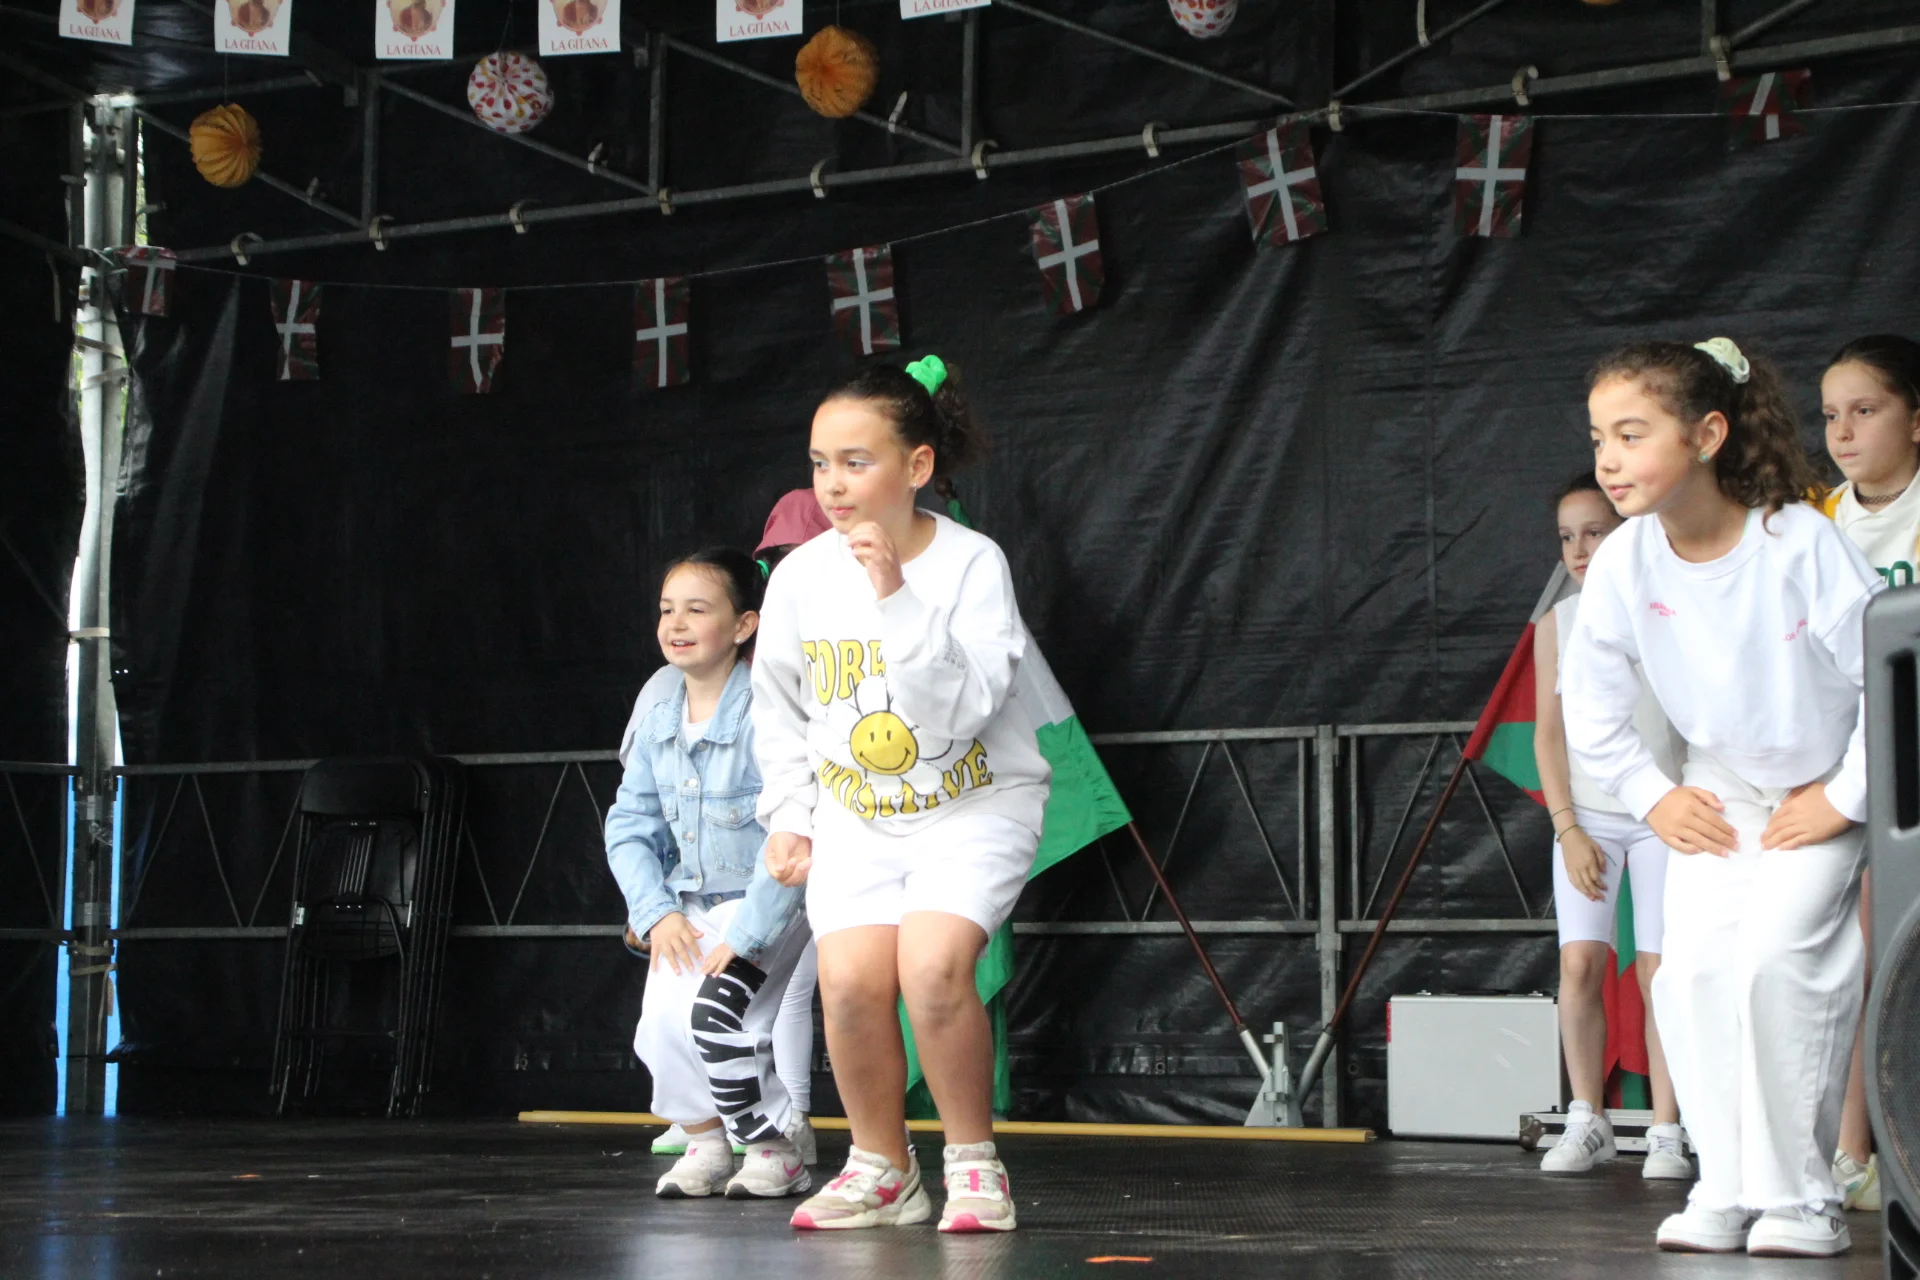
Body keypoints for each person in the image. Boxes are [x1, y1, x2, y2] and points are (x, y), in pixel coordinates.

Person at [1562, 337, 1880, 1258]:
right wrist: (1652, 797)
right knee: (1691, 972)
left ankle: (1803, 1198)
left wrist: (1845, 795)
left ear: (1706, 435)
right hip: (1720, 786)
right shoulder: (1625, 562)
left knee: (1778, 963)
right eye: (1599, 439)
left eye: (1632, 435)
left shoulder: (1798, 540)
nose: (1609, 459)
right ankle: (1727, 1187)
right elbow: (1589, 707)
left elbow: (1893, 676)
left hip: (1822, 784)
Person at [751, 355, 1051, 1233]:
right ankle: (882, 1168)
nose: (833, 484)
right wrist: (790, 817)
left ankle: (974, 1163)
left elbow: (963, 711)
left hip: (972, 805)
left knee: (931, 966)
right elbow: (779, 710)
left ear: (917, 465)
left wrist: (894, 594)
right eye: (820, 463)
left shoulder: (970, 564)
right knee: (847, 983)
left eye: (857, 461)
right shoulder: (801, 577)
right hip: (858, 815)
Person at [605, 548, 812, 1200]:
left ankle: (775, 1148)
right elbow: (629, 824)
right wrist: (656, 912)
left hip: (768, 900)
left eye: (697, 609)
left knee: (721, 1016)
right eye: (667, 609)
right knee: (661, 1028)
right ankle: (705, 1142)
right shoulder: (659, 709)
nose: (676, 623)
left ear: (744, 624)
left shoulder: (766, 709)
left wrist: (747, 934)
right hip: (690, 904)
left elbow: (793, 829)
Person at [1532, 473, 1687, 1179]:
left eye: (1594, 532)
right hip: (1589, 819)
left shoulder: (1671, 606)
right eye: (1567, 537)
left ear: (1628, 533)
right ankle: (1586, 1117)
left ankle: (1666, 1129)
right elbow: (1549, 737)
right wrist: (1568, 828)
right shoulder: (1556, 625)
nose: (1579, 549)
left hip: (1663, 814)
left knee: (1659, 971)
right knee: (1579, 963)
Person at [1817, 333, 1920, 1213]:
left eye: (1865, 410)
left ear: (1916, 420)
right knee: (1860, 954)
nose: (1843, 432)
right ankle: (1854, 1149)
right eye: (1829, 416)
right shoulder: (1814, 523)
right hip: (1849, 771)